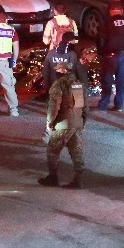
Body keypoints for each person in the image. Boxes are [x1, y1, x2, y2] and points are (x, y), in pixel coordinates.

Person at [38, 60, 88, 189]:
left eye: (58, 70)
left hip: (63, 124)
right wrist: (83, 122)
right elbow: (85, 106)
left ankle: (53, 177)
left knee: (52, 151)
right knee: (76, 152)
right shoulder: (78, 84)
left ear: (64, 71)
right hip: (77, 123)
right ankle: (79, 181)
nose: (56, 72)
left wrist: (49, 122)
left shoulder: (58, 85)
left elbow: (54, 106)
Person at [96, 2, 124, 111]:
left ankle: (104, 105)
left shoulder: (106, 24)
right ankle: (119, 105)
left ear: (111, 11)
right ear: (121, 11)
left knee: (107, 81)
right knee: (121, 82)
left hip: (109, 57)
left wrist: (101, 52)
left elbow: (100, 41)